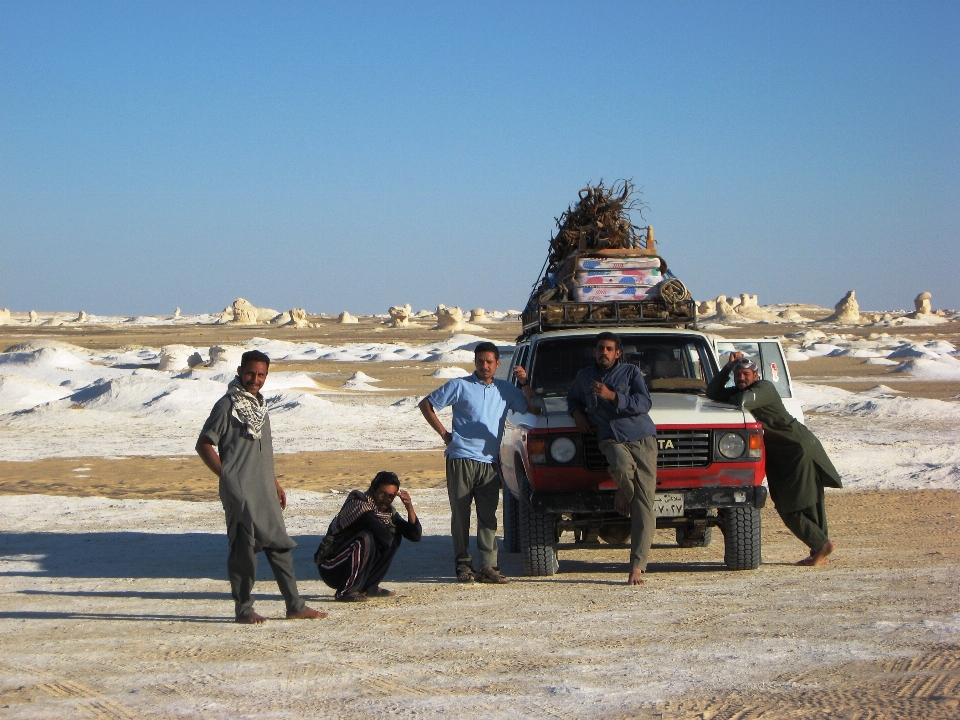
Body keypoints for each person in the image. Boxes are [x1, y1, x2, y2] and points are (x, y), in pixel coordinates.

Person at [196, 350, 326, 624]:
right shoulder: (227, 406)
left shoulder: (259, 407)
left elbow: (261, 452)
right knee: (244, 552)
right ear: (240, 370)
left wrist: (274, 483)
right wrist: (227, 476)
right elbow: (204, 444)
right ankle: (244, 610)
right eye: (250, 373)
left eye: (261, 375)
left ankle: (295, 605)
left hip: (264, 490)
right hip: (240, 492)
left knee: (280, 547)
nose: (255, 379)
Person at [419, 341, 538, 584]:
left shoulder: (506, 390)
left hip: (489, 463)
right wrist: (445, 435)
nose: (485, 365)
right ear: (475, 362)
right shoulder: (460, 386)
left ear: (497, 364)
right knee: (460, 515)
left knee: (488, 517)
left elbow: (533, 408)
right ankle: (463, 565)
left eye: (489, 362)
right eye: (481, 361)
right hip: (461, 458)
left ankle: (488, 567)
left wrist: (525, 382)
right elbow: (427, 405)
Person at [706, 352, 842, 566]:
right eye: (738, 374)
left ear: (756, 375)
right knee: (809, 498)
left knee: (790, 504)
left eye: (746, 374)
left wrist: (731, 396)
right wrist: (727, 369)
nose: (741, 378)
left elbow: (742, 402)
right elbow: (712, 393)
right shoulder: (744, 387)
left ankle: (821, 544)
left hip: (795, 448)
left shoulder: (764, 388)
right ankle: (819, 549)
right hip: (788, 449)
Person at [566, 332, 658, 586]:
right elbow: (572, 398)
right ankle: (624, 489)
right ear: (594, 352)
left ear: (617, 353)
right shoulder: (584, 377)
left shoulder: (630, 373)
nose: (603, 353)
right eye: (599, 348)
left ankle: (637, 565)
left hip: (641, 438)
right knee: (619, 465)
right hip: (610, 439)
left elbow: (644, 403)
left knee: (644, 506)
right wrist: (577, 413)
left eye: (608, 349)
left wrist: (613, 396)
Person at [315, 471, 421, 602]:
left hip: (350, 567)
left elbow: (415, 535)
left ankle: (369, 586)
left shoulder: (387, 513)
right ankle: (346, 591)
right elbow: (385, 537)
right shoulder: (359, 505)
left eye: (391, 496)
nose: (386, 500)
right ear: (373, 489)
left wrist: (409, 506)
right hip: (331, 567)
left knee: (395, 535)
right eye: (382, 493)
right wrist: (391, 530)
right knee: (366, 538)